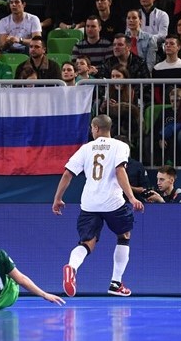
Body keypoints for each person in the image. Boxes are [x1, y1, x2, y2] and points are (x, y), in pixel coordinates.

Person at [53, 114, 145, 298]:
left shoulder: (86, 148)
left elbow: (67, 174)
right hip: (113, 202)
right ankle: (115, 283)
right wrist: (132, 197)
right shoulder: (121, 146)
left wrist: (57, 199)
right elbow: (120, 171)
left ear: (95, 128)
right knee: (124, 235)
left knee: (87, 242)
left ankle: (72, 267)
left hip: (89, 203)